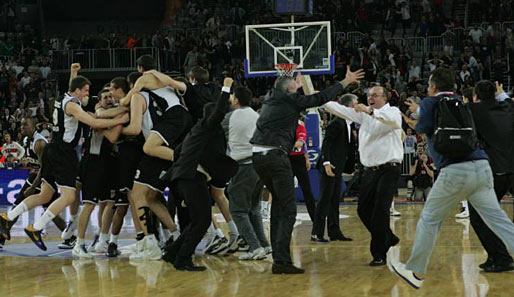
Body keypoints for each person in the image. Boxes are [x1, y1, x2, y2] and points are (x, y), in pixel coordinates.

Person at [391, 68, 514, 289]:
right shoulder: (464, 103)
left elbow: (421, 128)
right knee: (498, 220)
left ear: (433, 87)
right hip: (482, 167)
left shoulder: (430, 102)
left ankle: (415, 272)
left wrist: (413, 115)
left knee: (430, 219)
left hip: (454, 171)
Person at [250, 66, 364, 274]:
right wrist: (345, 82)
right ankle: (282, 262)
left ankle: (278, 258)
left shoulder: (271, 97)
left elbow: (283, 87)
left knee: (279, 207)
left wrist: (293, 83)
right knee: (289, 210)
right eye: (294, 86)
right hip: (275, 156)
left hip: (258, 156)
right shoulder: (289, 99)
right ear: (289, 90)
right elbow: (319, 98)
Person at [0, 73, 129, 250]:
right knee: (69, 197)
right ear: (77, 90)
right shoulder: (73, 105)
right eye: (85, 90)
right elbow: (92, 121)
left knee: (44, 195)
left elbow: (85, 102)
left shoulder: (64, 98)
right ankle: (36, 228)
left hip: (53, 150)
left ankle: (7, 218)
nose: (87, 94)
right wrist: (121, 118)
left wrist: (73, 72)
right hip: (64, 154)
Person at [323, 85, 403, 267]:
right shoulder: (362, 115)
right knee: (363, 210)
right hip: (368, 171)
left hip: (388, 169)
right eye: (369, 95)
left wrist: (368, 111)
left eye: (375, 95)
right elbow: (337, 108)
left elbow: (392, 122)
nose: (371, 98)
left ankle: (379, 254)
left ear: (384, 98)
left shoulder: (393, 111)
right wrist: (315, 95)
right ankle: (388, 237)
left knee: (381, 211)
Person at [162, 77, 236, 271]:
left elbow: (177, 152)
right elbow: (219, 111)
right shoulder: (206, 126)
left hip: (184, 177)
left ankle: (173, 253)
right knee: (202, 221)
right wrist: (225, 88)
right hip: (190, 177)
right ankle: (182, 259)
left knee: (197, 221)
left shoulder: (196, 132)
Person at [465, 80, 514, 272]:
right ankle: (496, 256)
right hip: (511, 170)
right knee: (490, 215)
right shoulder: (509, 107)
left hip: (492, 172)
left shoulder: (474, 110)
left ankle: (500, 257)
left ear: (475, 96)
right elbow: (506, 102)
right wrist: (502, 96)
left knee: (478, 216)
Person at [71, 89, 123, 258]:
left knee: (108, 203)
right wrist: (122, 114)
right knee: (89, 203)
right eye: (105, 97)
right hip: (93, 162)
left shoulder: (107, 114)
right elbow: (110, 130)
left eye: (110, 97)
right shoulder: (96, 114)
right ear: (99, 101)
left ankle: (102, 239)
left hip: (109, 163)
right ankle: (78, 242)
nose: (109, 99)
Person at [0, 117, 66, 249]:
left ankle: (2, 236)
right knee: (50, 211)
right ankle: (70, 237)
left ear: (34, 126)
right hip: (39, 176)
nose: (22, 127)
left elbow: (44, 168)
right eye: (21, 125)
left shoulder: (39, 142)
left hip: (45, 177)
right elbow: (36, 163)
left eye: (25, 124)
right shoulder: (26, 140)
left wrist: (33, 187)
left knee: (17, 205)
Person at [222, 85, 271, 260]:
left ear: (235, 100)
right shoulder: (256, 115)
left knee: (237, 210)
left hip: (243, 166)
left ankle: (255, 247)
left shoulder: (231, 116)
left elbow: (215, 126)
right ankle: (264, 245)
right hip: (259, 165)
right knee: (253, 209)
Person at [312, 94, 357, 242]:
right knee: (325, 200)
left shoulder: (349, 124)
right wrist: (326, 163)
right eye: (356, 104)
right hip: (329, 167)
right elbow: (327, 144)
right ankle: (316, 233)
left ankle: (334, 231)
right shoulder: (337, 123)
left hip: (337, 167)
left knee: (334, 201)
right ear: (349, 106)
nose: (358, 106)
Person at [289, 117, 316, 223]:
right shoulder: (282, 126)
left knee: (307, 190)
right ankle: (288, 218)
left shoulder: (299, 125)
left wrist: (306, 158)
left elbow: (300, 144)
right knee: (287, 191)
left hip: (297, 159)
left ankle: (315, 220)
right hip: (286, 159)